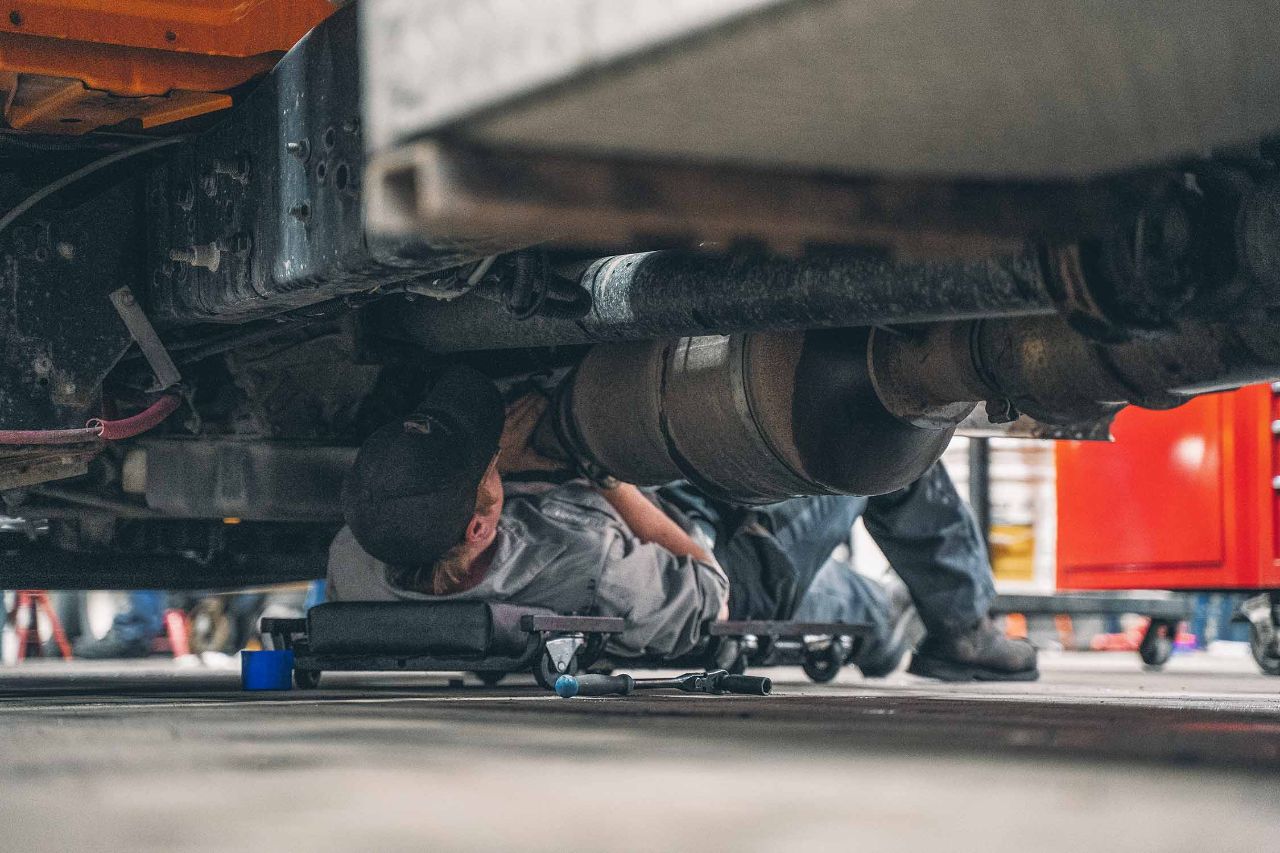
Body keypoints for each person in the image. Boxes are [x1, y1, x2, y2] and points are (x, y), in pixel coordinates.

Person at [329, 366, 1037, 681]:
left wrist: (504, 470)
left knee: (857, 609)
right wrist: (606, 475)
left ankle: (883, 623)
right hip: (733, 580)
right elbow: (710, 588)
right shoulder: (591, 566)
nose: (497, 459)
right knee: (878, 439)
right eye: (489, 467)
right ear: (483, 526)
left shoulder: (362, 553)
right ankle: (963, 628)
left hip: (660, 541)